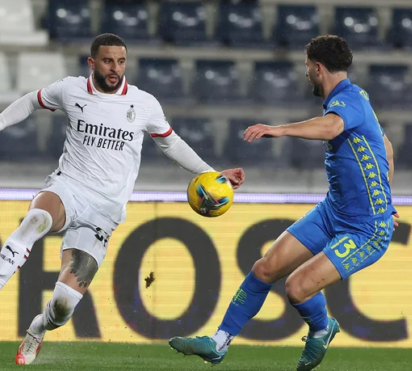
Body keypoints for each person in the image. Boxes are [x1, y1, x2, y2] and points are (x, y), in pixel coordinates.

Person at [0, 33, 245, 365]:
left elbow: (171, 144)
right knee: (35, 219)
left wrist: (213, 174)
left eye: (121, 62)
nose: (115, 69)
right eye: (108, 61)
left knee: (63, 306)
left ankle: (38, 328)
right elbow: (31, 101)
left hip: (104, 212)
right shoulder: (70, 89)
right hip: (69, 188)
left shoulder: (144, 103)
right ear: (92, 63)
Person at [169, 35, 398, 371]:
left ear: (318, 68)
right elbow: (387, 147)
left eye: (308, 67)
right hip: (333, 211)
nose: (307, 74)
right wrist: (389, 200)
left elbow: (333, 127)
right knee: (266, 268)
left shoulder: (347, 102)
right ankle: (218, 343)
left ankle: (322, 328)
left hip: (367, 228)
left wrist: (279, 129)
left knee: (296, 288)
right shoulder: (355, 100)